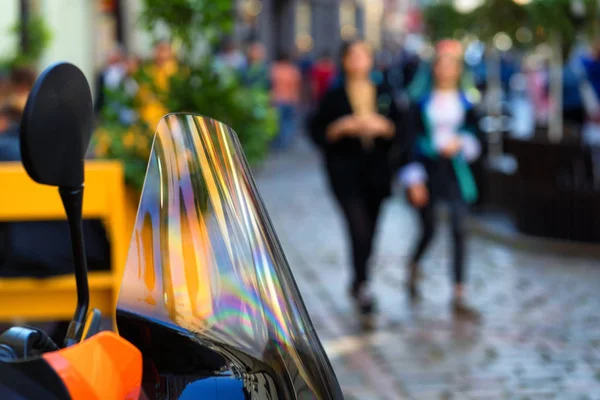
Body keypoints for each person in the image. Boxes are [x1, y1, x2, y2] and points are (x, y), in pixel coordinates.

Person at [310, 40, 411, 318]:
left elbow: (403, 128)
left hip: (377, 171)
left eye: (363, 55)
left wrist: (385, 126)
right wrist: (341, 127)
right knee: (358, 227)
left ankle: (359, 278)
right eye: (352, 56)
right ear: (344, 60)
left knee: (372, 228)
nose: (357, 61)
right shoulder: (333, 95)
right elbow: (317, 130)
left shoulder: (386, 92)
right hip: (345, 172)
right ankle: (363, 283)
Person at [402, 39, 483, 320]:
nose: (447, 70)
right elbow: (409, 142)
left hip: (456, 170)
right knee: (430, 227)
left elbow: (476, 134)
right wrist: (414, 179)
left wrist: (463, 142)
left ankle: (459, 291)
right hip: (428, 170)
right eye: (442, 64)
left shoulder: (467, 102)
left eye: (452, 65)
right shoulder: (419, 102)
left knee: (460, 226)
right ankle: (414, 264)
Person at [271, 52, 301, 150]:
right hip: (290, 99)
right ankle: (286, 142)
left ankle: (280, 142)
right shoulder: (293, 70)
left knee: (279, 123)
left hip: (277, 99)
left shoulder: (275, 69)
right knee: (288, 122)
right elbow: (296, 86)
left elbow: (271, 85)